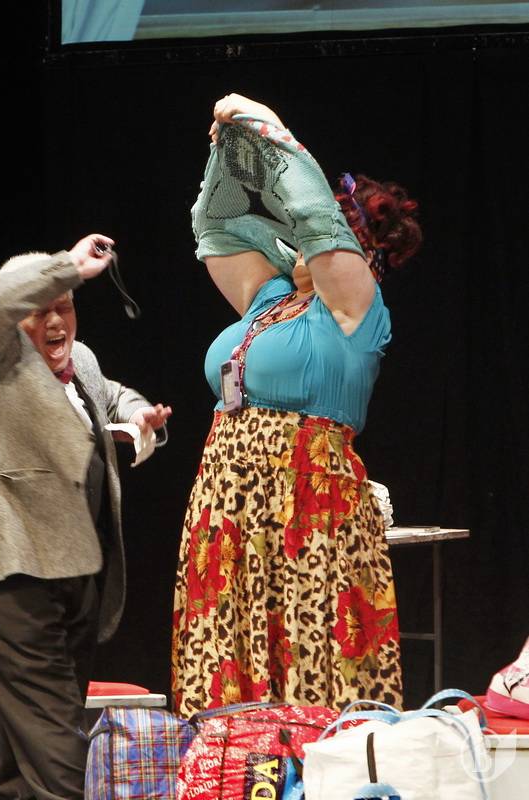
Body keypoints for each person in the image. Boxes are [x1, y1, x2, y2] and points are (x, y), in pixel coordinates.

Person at [172, 94, 422, 716]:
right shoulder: (269, 298)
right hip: (228, 500)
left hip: (304, 506)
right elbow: (214, 226)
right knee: (225, 657)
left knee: (311, 665)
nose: (303, 234)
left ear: (358, 249)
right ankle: (235, 763)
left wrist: (267, 127)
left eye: (333, 234)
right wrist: (230, 149)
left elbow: (312, 213)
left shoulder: (356, 308)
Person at [0, 234, 171, 800]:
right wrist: (68, 268)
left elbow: (112, 394)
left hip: (73, 582)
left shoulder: (81, 360)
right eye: (42, 309)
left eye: (66, 307)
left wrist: (139, 417)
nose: (57, 321)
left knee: (23, 772)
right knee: (62, 764)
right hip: (10, 583)